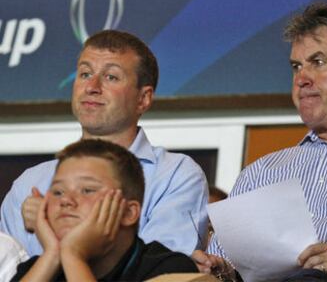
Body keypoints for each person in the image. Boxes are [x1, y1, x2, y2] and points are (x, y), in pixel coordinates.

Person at [193, 2, 327, 281]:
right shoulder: (261, 172)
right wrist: (217, 269)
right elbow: (227, 266)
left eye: (317, 62)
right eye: (296, 66)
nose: (301, 79)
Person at [0, 30, 208, 257]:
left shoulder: (174, 175)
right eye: (85, 73)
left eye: (111, 77)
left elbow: (159, 274)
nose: (92, 86)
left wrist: (55, 230)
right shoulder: (30, 184)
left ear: (143, 98)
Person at [12, 139, 199, 281]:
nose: (66, 201)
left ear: (129, 213)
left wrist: (73, 255)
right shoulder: (38, 269)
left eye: (87, 190)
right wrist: (52, 255)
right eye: (58, 191)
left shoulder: (170, 268)